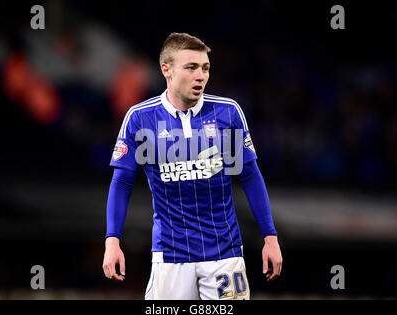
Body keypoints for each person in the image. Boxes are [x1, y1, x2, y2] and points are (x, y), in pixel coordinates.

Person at [102, 32, 282, 300]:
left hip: (225, 254)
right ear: (167, 70)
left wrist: (270, 236)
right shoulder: (140, 118)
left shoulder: (228, 112)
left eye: (205, 68)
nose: (201, 76)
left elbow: (250, 176)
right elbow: (122, 182)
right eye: (191, 67)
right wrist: (112, 240)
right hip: (170, 254)